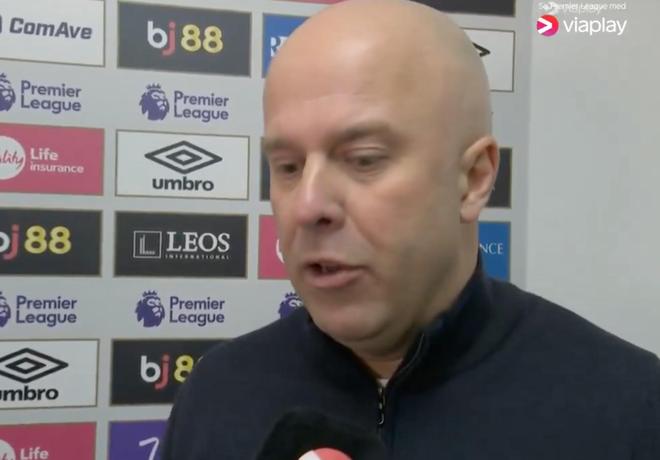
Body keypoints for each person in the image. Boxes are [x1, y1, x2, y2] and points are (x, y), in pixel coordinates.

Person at [162, 1, 660, 458]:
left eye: (363, 159)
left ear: (474, 179)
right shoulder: (217, 394)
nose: (308, 206)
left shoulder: (630, 408)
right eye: (288, 167)